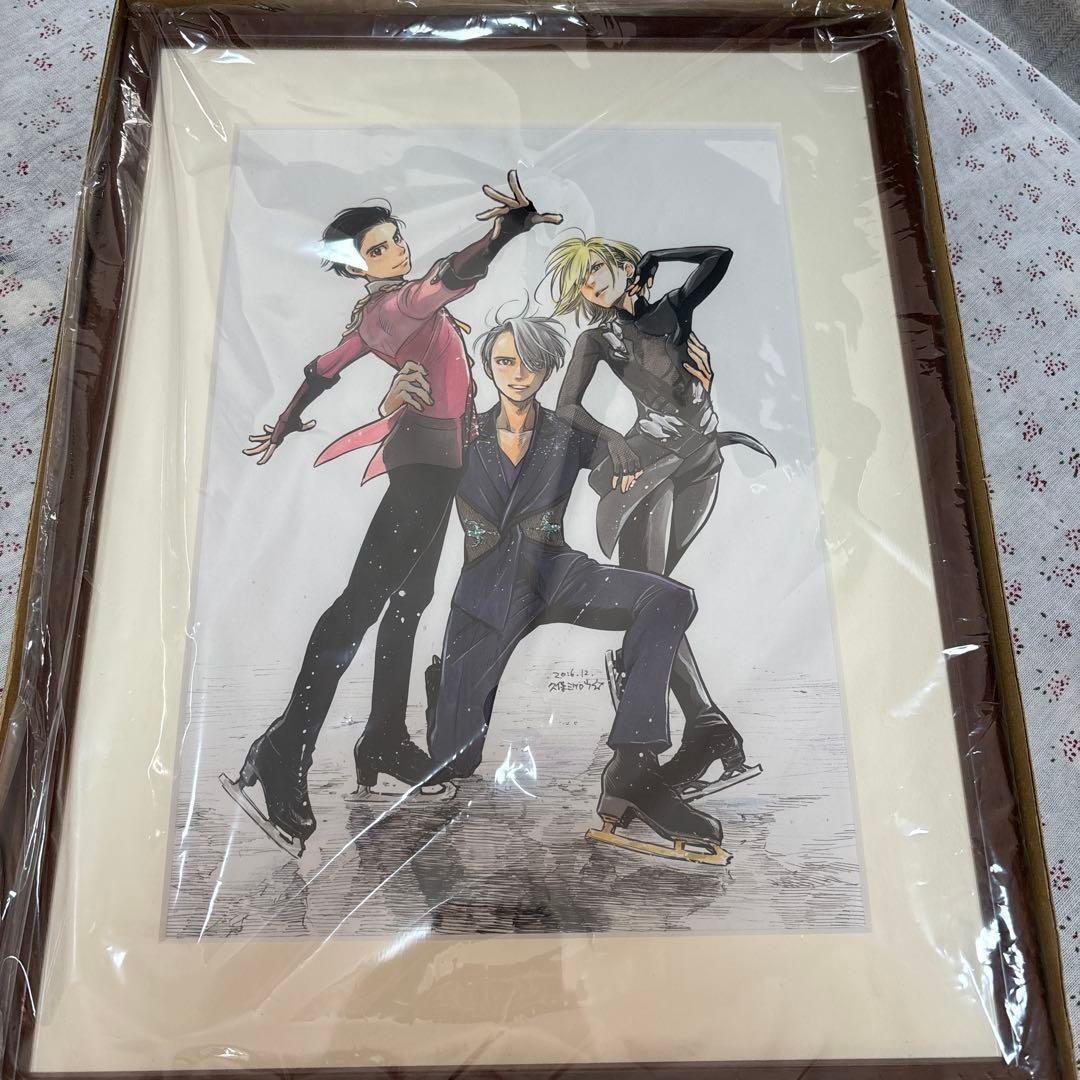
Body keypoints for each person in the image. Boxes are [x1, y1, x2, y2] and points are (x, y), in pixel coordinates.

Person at [220, 172, 563, 858]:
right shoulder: (400, 307)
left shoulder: (374, 317)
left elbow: (324, 368)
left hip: (441, 464)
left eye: (395, 239)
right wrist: (503, 233)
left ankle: (382, 736)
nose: (396, 251)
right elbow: (449, 276)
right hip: (423, 468)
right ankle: (287, 747)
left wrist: (286, 422)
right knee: (360, 605)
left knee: (409, 600)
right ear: (357, 268)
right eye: (377, 250)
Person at [425, 309, 730, 865]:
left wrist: (692, 405)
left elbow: (633, 458)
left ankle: (633, 769)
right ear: (488, 367)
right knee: (452, 760)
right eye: (505, 361)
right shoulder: (461, 432)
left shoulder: (567, 432)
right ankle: (442, 688)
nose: (518, 373)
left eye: (531, 363)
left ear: (548, 370)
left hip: (556, 572)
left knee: (669, 597)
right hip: (485, 595)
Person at [544, 233, 773, 800]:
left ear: (625, 267)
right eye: (582, 281)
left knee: (657, 601)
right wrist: (613, 439)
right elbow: (566, 406)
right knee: (655, 597)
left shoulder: (672, 310)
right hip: (650, 467)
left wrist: (656, 258)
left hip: (702, 462)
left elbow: (720, 257)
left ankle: (699, 731)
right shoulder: (597, 338)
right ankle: (708, 731)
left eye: (598, 270)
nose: (591, 285)